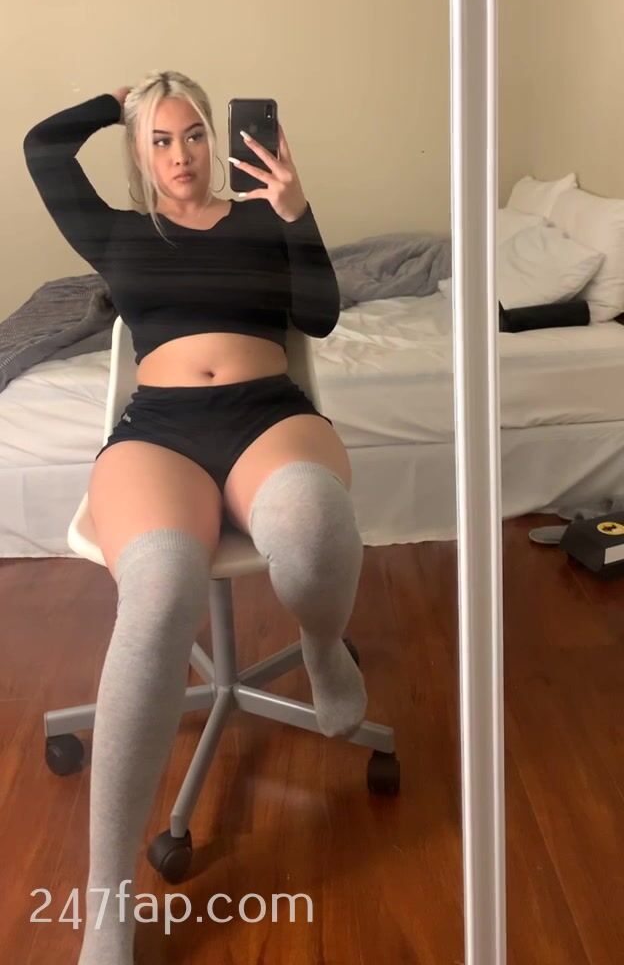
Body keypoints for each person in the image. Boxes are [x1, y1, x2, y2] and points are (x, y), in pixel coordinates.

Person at [23, 69, 368, 965]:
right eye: (161, 140)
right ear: (141, 152)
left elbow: (321, 318)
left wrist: (296, 212)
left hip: (268, 415)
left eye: (194, 135)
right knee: (159, 592)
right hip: (159, 432)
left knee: (313, 530)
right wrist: (118, 102)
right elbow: (42, 148)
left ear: (218, 138)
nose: (181, 156)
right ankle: (109, 902)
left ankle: (323, 648)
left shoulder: (262, 215)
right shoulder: (117, 232)